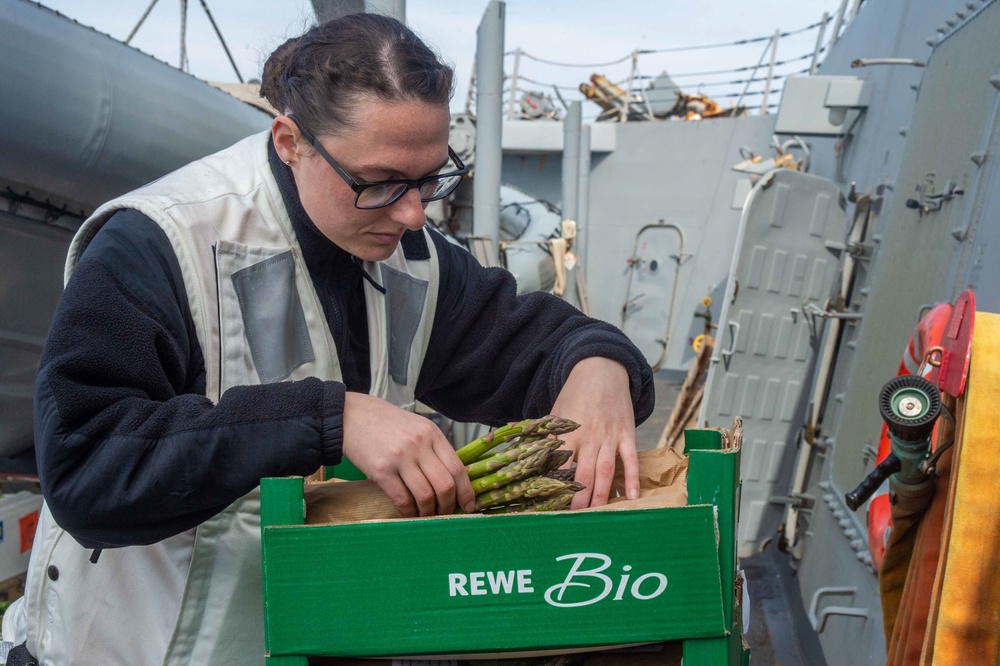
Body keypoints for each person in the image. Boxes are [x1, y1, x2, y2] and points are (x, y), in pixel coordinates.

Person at [1, 13, 654, 665]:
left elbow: (535, 340)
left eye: (429, 179)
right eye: (378, 183)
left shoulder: (414, 257)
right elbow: (87, 469)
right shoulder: (159, 243)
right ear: (291, 142)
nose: (411, 214)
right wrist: (331, 418)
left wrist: (597, 368)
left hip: (308, 639)